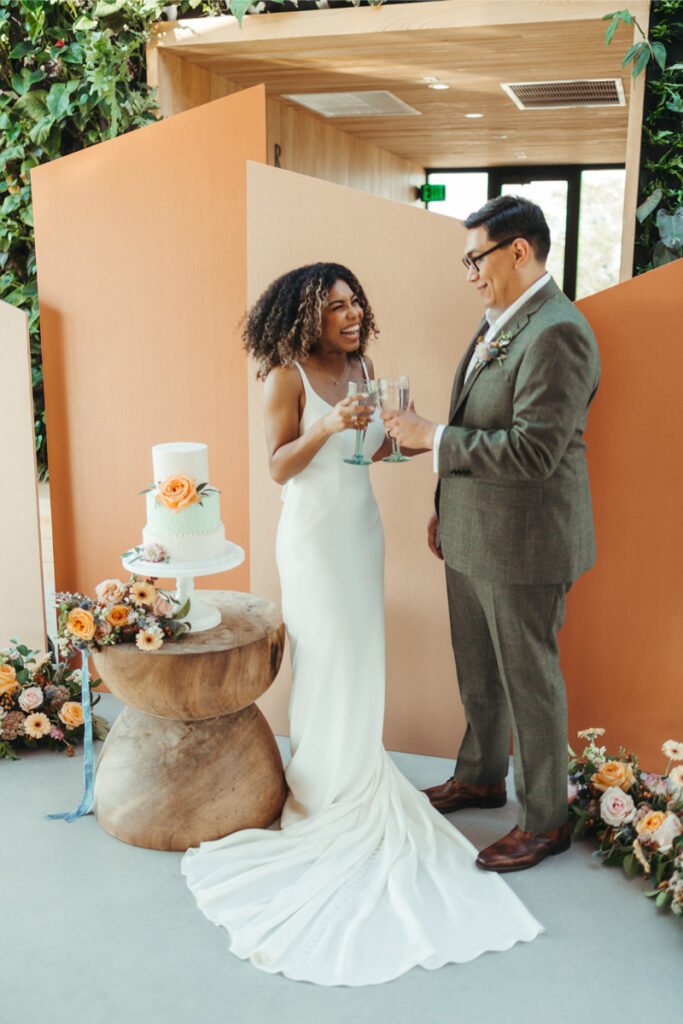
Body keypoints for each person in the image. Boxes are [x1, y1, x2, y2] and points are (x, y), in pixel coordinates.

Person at [181, 261, 542, 987]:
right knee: (326, 658)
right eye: (335, 306)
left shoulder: (364, 365)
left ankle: (357, 769)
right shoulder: (283, 375)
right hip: (313, 538)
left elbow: (367, 453)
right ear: (304, 315)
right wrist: (328, 424)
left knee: (361, 656)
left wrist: (397, 437)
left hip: (360, 532)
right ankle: (323, 785)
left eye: (355, 304)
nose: (351, 316)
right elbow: (280, 467)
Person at [383, 196, 600, 873]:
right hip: (472, 531)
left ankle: (544, 821)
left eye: (476, 257)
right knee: (476, 668)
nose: (469, 272)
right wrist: (445, 507)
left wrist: (433, 437)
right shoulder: (500, 323)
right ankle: (479, 775)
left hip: (526, 540)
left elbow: (535, 451)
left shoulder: (557, 330)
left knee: (527, 678)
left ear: (518, 251)